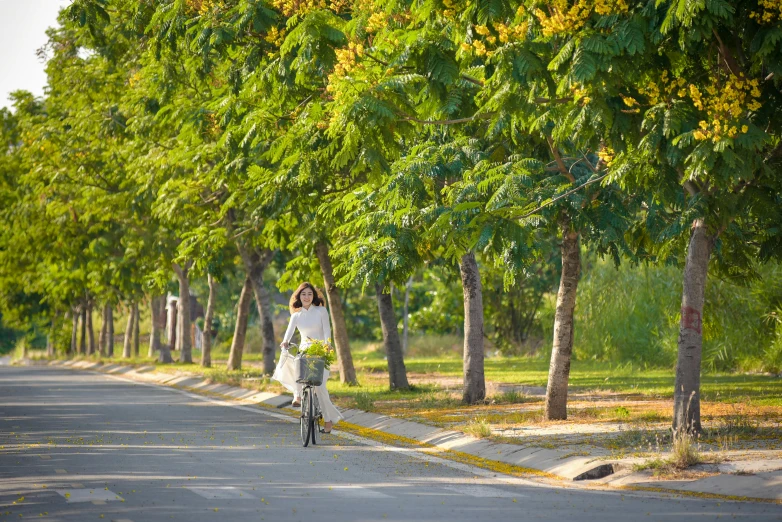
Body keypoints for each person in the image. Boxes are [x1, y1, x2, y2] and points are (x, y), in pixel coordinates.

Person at [273, 282, 343, 433]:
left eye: (309, 294)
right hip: (304, 351)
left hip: (320, 352)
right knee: (296, 368)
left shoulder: (321, 311)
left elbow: (327, 330)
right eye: (303, 294)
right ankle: (297, 395)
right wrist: (285, 342)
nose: (306, 297)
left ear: (314, 296)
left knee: (320, 388)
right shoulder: (296, 315)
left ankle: (328, 420)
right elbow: (289, 333)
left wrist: (327, 345)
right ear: (299, 296)